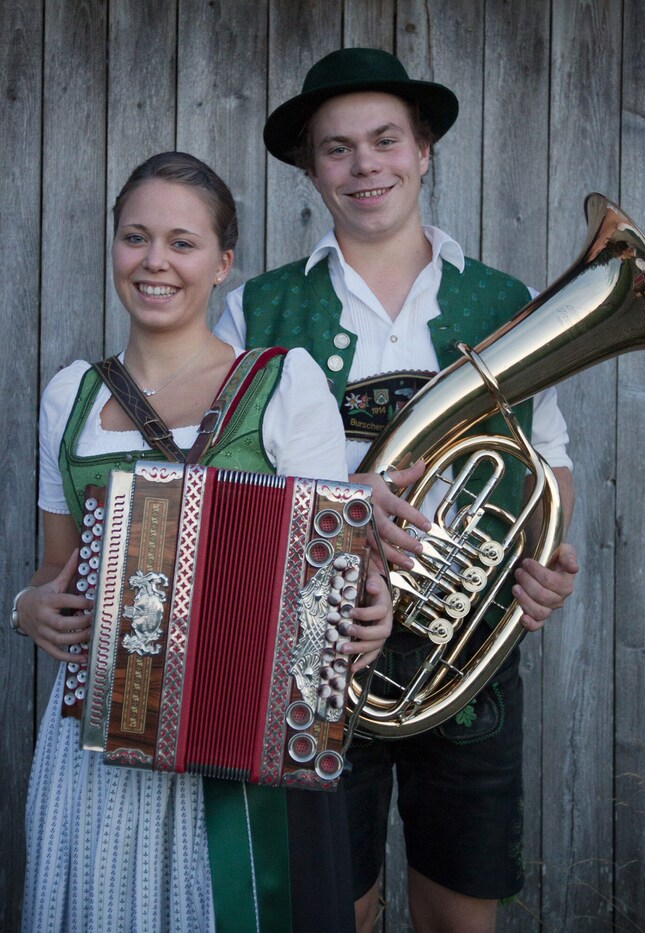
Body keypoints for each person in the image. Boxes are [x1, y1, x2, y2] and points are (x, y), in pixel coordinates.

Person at [215, 48, 579, 933]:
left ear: (424, 151)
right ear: (311, 170)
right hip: (316, 648)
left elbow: (548, 458)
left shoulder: (510, 301)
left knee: (461, 911)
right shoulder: (252, 310)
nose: (364, 164)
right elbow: (224, 488)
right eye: (337, 149)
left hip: (468, 653)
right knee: (333, 909)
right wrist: (343, 505)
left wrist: (550, 561)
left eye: (385, 141)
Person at [12, 151, 392, 933]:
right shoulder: (70, 394)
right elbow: (55, 572)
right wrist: (25, 607)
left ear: (222, 264)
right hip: (99, 747)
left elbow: (335, 577)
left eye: (182, 243)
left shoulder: (286, 383)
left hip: (248, 739)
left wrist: (368, 610)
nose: (155, 262)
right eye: (136, 237)